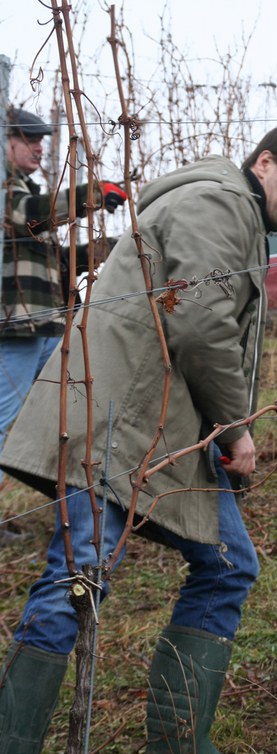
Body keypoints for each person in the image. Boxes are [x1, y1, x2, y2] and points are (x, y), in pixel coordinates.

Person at [0, 124, 277, 754]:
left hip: (156, 426)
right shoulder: (215, 203)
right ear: (264, 163)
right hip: (115, 422)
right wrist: (237, 430)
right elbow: (204, 324)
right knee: (76, 577)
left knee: (227, 564)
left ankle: (179, 752)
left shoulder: (235, 211)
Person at [0, 107, 126, 493]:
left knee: (58, 412)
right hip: (17, 326)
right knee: (5, 420)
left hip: (43, 324)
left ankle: (68, 502)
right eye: (28, 139)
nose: (38, 148)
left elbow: (54, 264)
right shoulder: (9, 191)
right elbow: (28, 216)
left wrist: (110, 249)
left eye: (41, 140)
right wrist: (92, 193)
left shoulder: (26, 188)